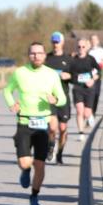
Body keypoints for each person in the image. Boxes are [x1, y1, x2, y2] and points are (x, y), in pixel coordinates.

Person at [2, 42, 66, 205]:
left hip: (42, 125)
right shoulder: (19, 73)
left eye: (39, 53)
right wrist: (11, 104)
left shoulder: (51, 75)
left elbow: (63, 97)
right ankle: (24, 171)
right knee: (25, 163)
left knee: (40, 165)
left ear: (45, 55)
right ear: (28, 55)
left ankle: (34, 196)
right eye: (32, 53)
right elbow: (7, 90)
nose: (36, 56)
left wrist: (56, 100)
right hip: (24, 122)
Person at [44, 31, 72, 164]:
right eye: (53, 42)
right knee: (52, 128)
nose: (55, 45)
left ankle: (60, 153)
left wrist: (70, 76)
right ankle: (50, 147)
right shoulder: (47, 59)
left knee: (63, 128)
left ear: (62, 42)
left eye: (57, 42)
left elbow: (76, 76)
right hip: (50, 98)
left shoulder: (68, 59)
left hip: (64, 98)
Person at [69, 37, 100, 143]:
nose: (81, 48)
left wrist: (92, 80)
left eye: (83, 47)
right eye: (79, 47)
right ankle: (81, 132)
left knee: (86, 113)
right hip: (77, 88)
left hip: (89, 88)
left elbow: (98, 72)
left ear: (87, 47)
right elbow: (69, 73)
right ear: (76, 48)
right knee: (79, 110)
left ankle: (89, 115)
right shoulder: (73, 60)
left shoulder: (91, 59)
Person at [88, 34, 103, 128]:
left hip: (98, 75)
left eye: (95, 39)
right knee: (89, 96)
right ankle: (89, 114)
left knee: (96, 95)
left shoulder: (101, 51)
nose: (93, 41)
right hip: (88, 76)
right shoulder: (87, 50)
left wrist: (102, 64)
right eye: (91, 39)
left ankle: (93, 112)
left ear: (97, 41)